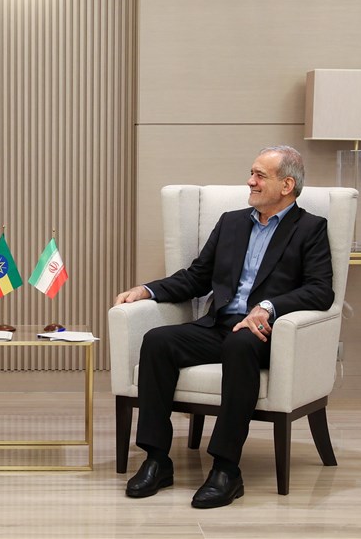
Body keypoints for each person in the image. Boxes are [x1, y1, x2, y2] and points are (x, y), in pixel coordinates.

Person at [114, 145, 333, 508]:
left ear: (287, 185)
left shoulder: (310, 228)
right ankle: (157, 459)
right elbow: (197, 277)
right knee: (157, 341)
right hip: (219, 324)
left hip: (264, 334)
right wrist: (147, 290)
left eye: (260, 175)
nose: (250, 181)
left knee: (240, 344)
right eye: (251, 173)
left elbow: (320, 290)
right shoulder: (232, 222)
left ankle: (226, 469)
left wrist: (268, 307)